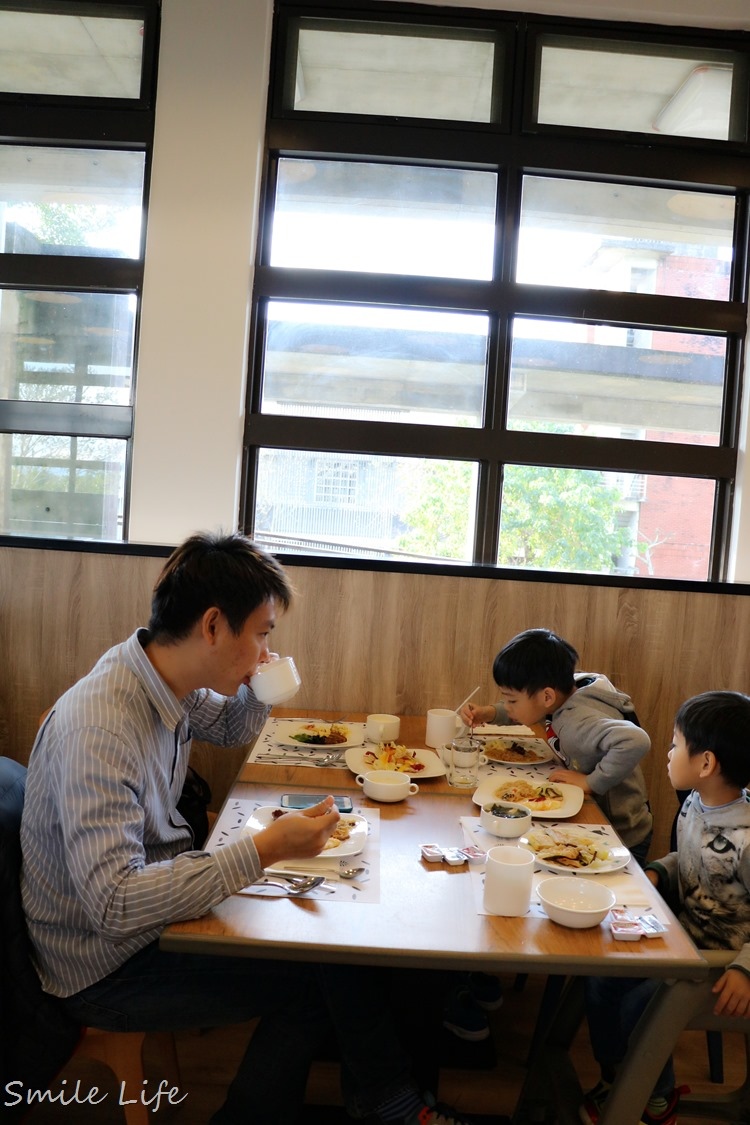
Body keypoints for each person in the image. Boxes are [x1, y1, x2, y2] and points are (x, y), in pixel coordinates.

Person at [20, 531, 475, 1125]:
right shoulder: (103, 728)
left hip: (146, 911)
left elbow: (234, 728)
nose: (266, 650)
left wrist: (262, 684)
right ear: (213, 626)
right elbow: (113, 904)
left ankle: (383, 1099)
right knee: (315, 976)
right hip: (102, 962)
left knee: (328, 938)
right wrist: (260, 852)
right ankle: (375, 1104)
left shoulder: (161, 677)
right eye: (261, 634)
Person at [580, 689, 750, 1125]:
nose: (669, 753)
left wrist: (744, 969)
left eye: (676, 744)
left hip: (720, 966)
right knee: (601, 973)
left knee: (641, 1002)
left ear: (706, 763)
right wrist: (658, 871)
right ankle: (620, 1076)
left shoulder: (746, 840)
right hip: (682, 940)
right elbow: (691, 859)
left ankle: (654, 1097)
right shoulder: (697, 803)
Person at [460, 628, 653, 862]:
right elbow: (532, 708)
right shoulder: (566, 692)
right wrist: (490, 713)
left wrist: (591, 782)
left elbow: (635, 740)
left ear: (548, 697)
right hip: (597, 814)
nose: (507, 705)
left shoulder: (577, 720)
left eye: (511, 700)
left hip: (620, 830)